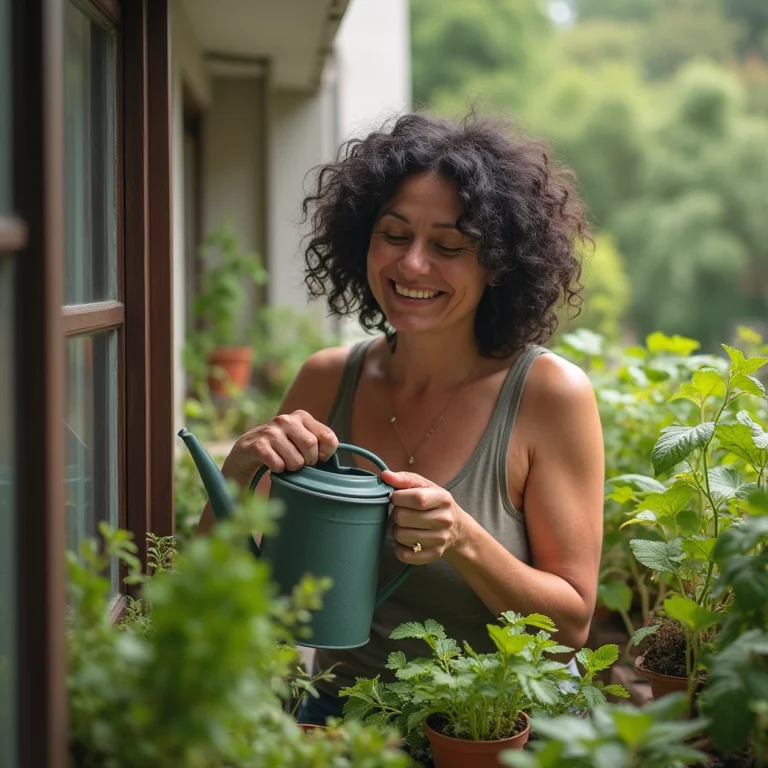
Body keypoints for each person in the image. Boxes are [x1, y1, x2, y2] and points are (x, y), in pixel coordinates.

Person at [197, 112, 605, 725]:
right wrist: (238, 470)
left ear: (497, 263)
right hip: (340, 721)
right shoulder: (326, 379)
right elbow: (213, 585)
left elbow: (571, 623)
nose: (412, 265)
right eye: (393, 234)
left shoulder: (550, 395)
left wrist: (463, 539)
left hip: (494, 732)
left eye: (448, 246)